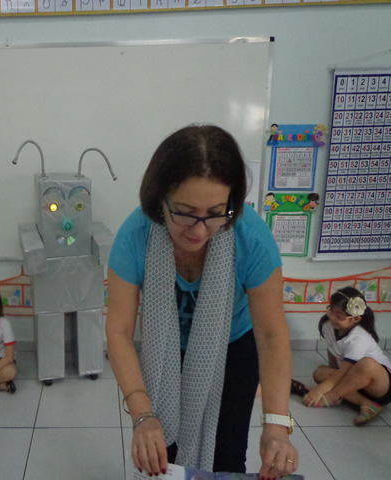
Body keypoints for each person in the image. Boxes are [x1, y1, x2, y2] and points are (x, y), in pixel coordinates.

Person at [106, 125, 298, 478]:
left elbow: (272, 334)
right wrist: (142, 415)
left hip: (232, 350)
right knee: (161, 456)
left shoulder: (251, 240)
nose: (199, 230)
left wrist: (276, 425)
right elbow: (118, 331)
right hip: (163, 351)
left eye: (215, 212)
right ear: (159, 199)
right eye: (184, 211)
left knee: (226, 457)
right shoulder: (135, 237)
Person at [300, 287, 391, 425]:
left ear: (355, 318)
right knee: (319, 374)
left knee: (367, 364)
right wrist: (330, 375)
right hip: (354, 382)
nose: (332, 317)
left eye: (339, 316)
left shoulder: (359, 338)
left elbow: (343, 372)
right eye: (331, 310)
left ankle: (332, 397)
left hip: (380, 387)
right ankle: (366, 403)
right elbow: (332, 349)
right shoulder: (328, 325)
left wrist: (322, 391)